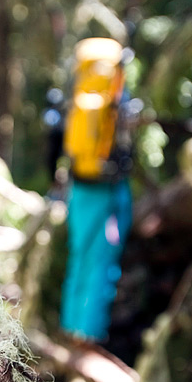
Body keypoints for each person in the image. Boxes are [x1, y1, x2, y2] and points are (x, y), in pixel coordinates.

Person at [47, 37, 141, 344]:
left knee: (79, 257)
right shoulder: (116, 99)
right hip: (109, 189)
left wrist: (54, 181)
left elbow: (55, 143)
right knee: (102, 259)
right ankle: (89, 336)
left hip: (80, 186)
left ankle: (69, 326)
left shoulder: (76, 100)